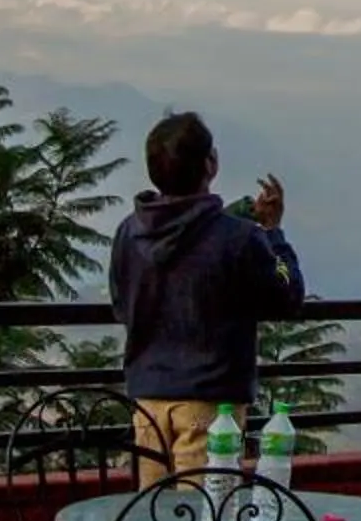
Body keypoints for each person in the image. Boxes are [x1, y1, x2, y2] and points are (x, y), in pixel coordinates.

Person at [108, 111, 306, 492]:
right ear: (210, 164)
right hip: (213, 408)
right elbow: (287, 296)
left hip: (147, 403)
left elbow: (121, 305)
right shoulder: (239, 238)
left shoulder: (128, 233)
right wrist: (274, 234)